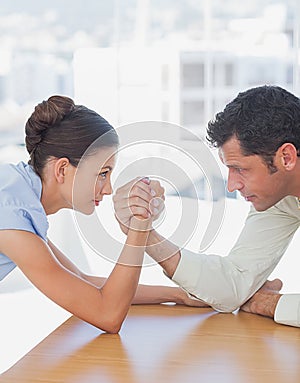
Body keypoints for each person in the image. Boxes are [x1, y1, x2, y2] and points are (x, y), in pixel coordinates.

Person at [0, 95, 203, 334]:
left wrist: (178, 295)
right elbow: (107, 314)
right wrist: (140, 224)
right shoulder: (12, 217)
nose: (108, 189)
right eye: (103, 173)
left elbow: (83, 283)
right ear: (62, 169)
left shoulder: (20, 202)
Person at [113, 85, 300, 328]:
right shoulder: (280, 197)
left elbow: (240, 292)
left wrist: (268, 304)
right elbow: (235, 285)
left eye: (240, 169)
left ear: (286, 157)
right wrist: (145, 235)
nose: (232, 185)